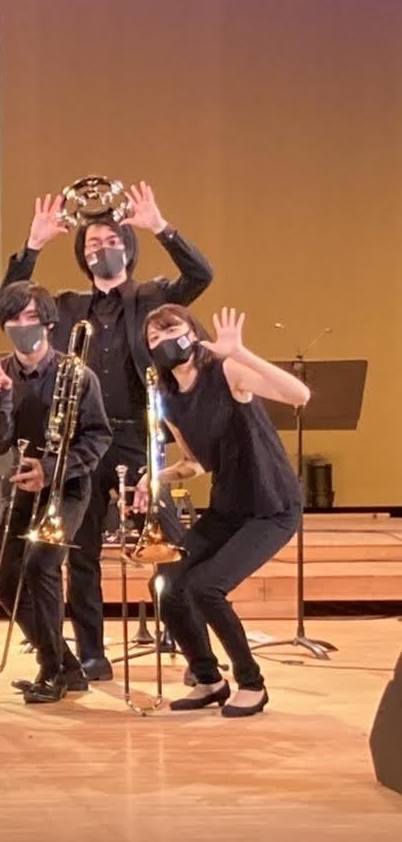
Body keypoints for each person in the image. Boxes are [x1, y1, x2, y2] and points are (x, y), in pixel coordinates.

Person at [1, 184, 212, 679]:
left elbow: (201, 275)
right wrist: (32, 246)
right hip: (84, 444)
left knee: (170, 547)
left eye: (112, 240)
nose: (102, 248)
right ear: (82, 254)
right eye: (93, 243)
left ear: (128, 247)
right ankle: (92, 654)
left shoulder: (152, 296)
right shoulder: (66, 305)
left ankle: (195, 653)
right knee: (82, 553)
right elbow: (11, 304)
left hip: (140, 439)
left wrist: (161, 227)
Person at [137, 305, 309, 718]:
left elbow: (300, 396)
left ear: (192, 332)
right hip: (228, 507)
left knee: (206, 587)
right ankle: (209, 680)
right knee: (167, 584)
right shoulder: (168, 399)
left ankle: (252, 684)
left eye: (170, 329)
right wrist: (155, 477)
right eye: (153, 338)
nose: (163, 340)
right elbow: (194, 463)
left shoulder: (226, 372)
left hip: (271, 506)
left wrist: (241, 353)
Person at [0, 281, 112, 705]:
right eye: (14, 319)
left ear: (50, 323)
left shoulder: (79, 375)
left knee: (41, 567)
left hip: (67, 487)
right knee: (6, 584)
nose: (23, 326)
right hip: (21, 484)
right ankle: (65, 664)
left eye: (31, 317)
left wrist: (52, 470)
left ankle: (52, 669)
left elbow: (98, 437)